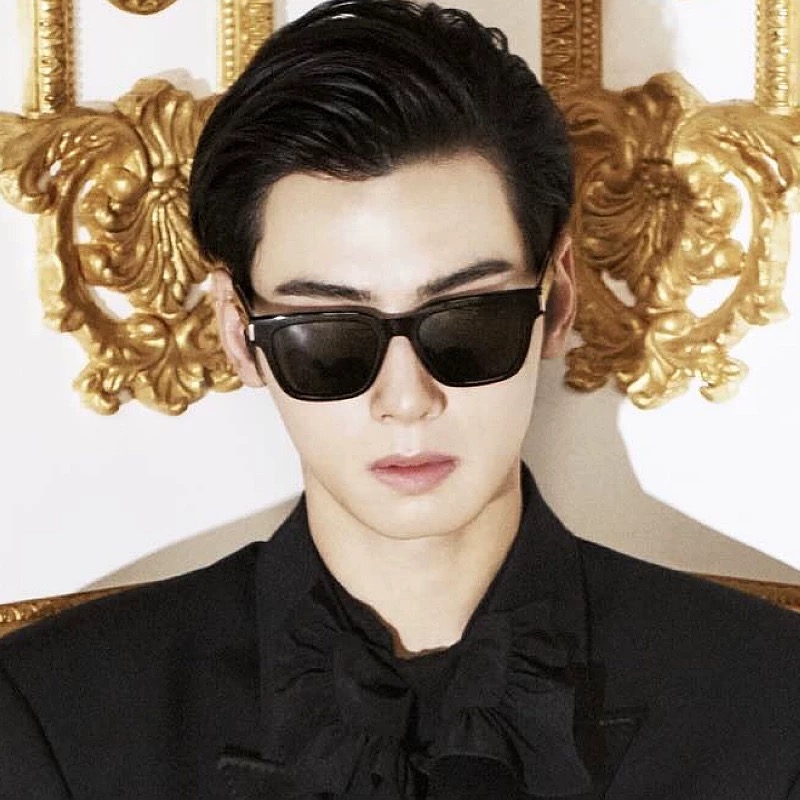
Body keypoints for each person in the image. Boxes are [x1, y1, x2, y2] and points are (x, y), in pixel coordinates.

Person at [1, 1, 799, 798]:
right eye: (329, 338)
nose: (407, 399)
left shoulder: (773, 703)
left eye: (467, 323)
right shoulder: (57, 715)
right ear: (240, 336)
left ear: (556, 303)